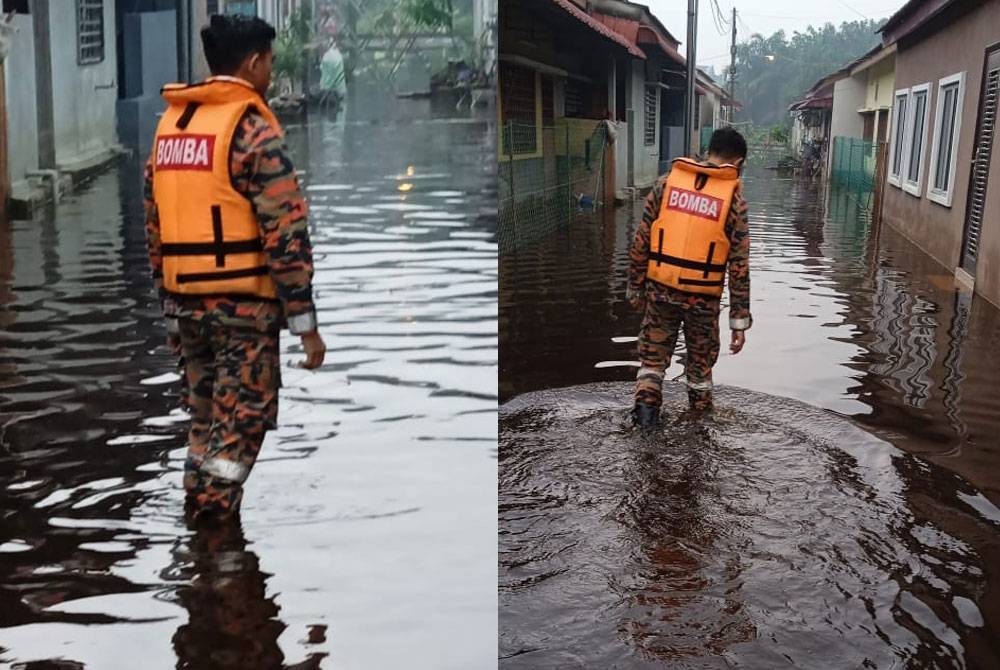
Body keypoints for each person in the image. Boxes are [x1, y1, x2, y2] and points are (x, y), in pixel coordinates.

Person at [144, 15, 326, 521]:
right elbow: (285, 233)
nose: (270, 71)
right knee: (241, 422)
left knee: (204, 421)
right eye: (268, 61)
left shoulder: (171, 127)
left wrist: (169, 310)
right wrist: (305, 326)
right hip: (242, 311)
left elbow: (154, 229)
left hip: (185, 307)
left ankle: (198, 535)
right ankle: (217, 539)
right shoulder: (251, 130)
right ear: (252, 63)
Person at [626, 127, 751, 427]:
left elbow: (641, 240)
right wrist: (739, 322)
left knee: (652, 365)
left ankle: (644, 430)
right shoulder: (734, 202)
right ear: (738, 162)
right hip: (703, 302)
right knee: (699, 372)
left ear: (709, 151)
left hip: (659, 292)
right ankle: (697, 439)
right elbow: (739, 267)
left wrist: (635, 288)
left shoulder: (665, 184)